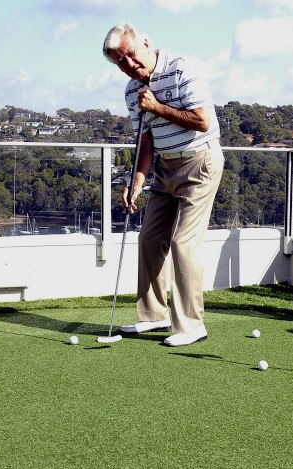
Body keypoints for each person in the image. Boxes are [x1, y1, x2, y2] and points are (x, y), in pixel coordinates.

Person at [103, 22, 224, 346]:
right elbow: (146, 142)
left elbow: (202, 121)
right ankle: (153, 316)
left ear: (145, 42)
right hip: (164, 167)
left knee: (183, 243)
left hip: (200, 161)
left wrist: (156, 107)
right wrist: (137, 181)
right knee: (150, 238)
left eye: (129, 55)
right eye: (120, 62)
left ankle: (191, 326)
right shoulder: (132, 91)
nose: (128, 65)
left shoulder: (181, 69)